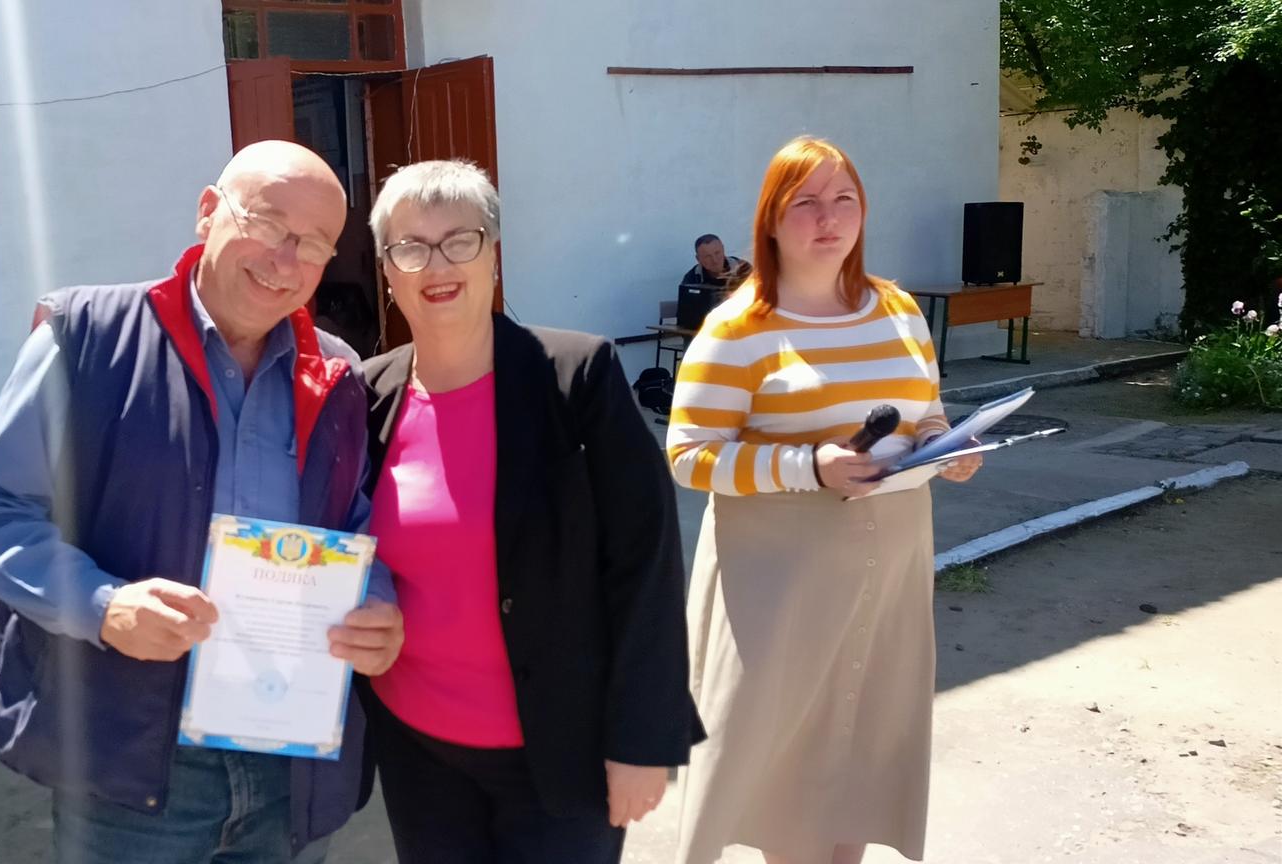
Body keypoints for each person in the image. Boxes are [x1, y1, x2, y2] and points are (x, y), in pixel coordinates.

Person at [0, 140, 405, 864]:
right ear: (208, 211)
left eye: (315, 245)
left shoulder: (337, 371)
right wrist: (103, 606)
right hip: (135, 761)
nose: (286, 261)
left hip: (291, 755)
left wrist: (374, 602)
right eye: (268, 223)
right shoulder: (86, 337)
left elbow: (353, 522)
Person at [359, 159, 704, 864]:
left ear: (493, 253)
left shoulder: (578, 375)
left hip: (560, 750)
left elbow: (646, 562)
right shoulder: (368, 395)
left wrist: (642, 740)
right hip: (417, 748)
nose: (436, 264)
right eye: (410, 247)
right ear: (387, 271)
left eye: (460, 240)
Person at [666, 137, 982, 864]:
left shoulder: (898, 308)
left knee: (862, 755)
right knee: (786, 776)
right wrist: (808, 466)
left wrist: (947, 446)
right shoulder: (739, 328)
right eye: (806, 202)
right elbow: (688, 456)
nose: (828, 217)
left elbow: (927, 412)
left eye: (844, 199)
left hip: (890, 577)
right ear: (771, 220)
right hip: (779, 590)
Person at [682, 234, 752, 288]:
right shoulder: (692, 277)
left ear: (723, 250)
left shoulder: (743, 268)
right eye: (707, 256)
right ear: (698, 259)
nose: (715, 260)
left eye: (717, 253)